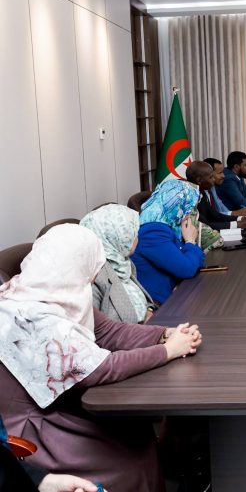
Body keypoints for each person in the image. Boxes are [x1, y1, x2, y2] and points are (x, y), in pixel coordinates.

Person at [0, 224, 202, 491]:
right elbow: (100, 369)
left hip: (65, 403)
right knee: (131, 456)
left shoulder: (61, 290)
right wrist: (168, 351)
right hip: (38, 429)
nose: (96, 275)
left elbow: (108, 331)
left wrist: (164, 334)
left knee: (137, 431)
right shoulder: (24, 315)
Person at [131, 179, 204, 305]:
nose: (188, 215)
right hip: (160, 306)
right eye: (187, 208)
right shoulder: (152, 231)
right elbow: (187, 269)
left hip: (175, 294)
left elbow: (197, 261)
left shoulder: (165, 224)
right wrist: (190, 241)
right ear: (176, 205)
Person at [80, 204, 155, 323]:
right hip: (129, 334)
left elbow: (141, 300)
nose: (136, 237)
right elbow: (97, 329)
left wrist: (150, 310)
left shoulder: (121, 262)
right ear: (115, 237)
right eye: (130, 232)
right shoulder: (94, 278)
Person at [186, 161, 246, 231]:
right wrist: (240, 224)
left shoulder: (201, 192)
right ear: (199, 180)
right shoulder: (189, 199)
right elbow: (206, 226)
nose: (213, 180)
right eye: (211, 177)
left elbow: (215, 215)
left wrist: (241, 219)